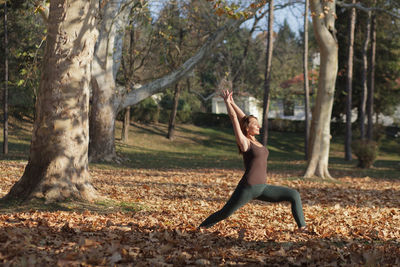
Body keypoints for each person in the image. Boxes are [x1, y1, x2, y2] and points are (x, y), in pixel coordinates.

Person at [199, 90, 307, 231]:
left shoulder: (254, 140)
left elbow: (244, 117)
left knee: (294, 194)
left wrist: (232, 102)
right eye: (255, 124)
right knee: (225, 213)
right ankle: (200, 228)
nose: (258, 126)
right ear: (247, 128)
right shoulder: (244, 142)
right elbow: (234, 118)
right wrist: (227, 103)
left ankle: (303, 228)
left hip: (262, 188)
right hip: (248, 188)